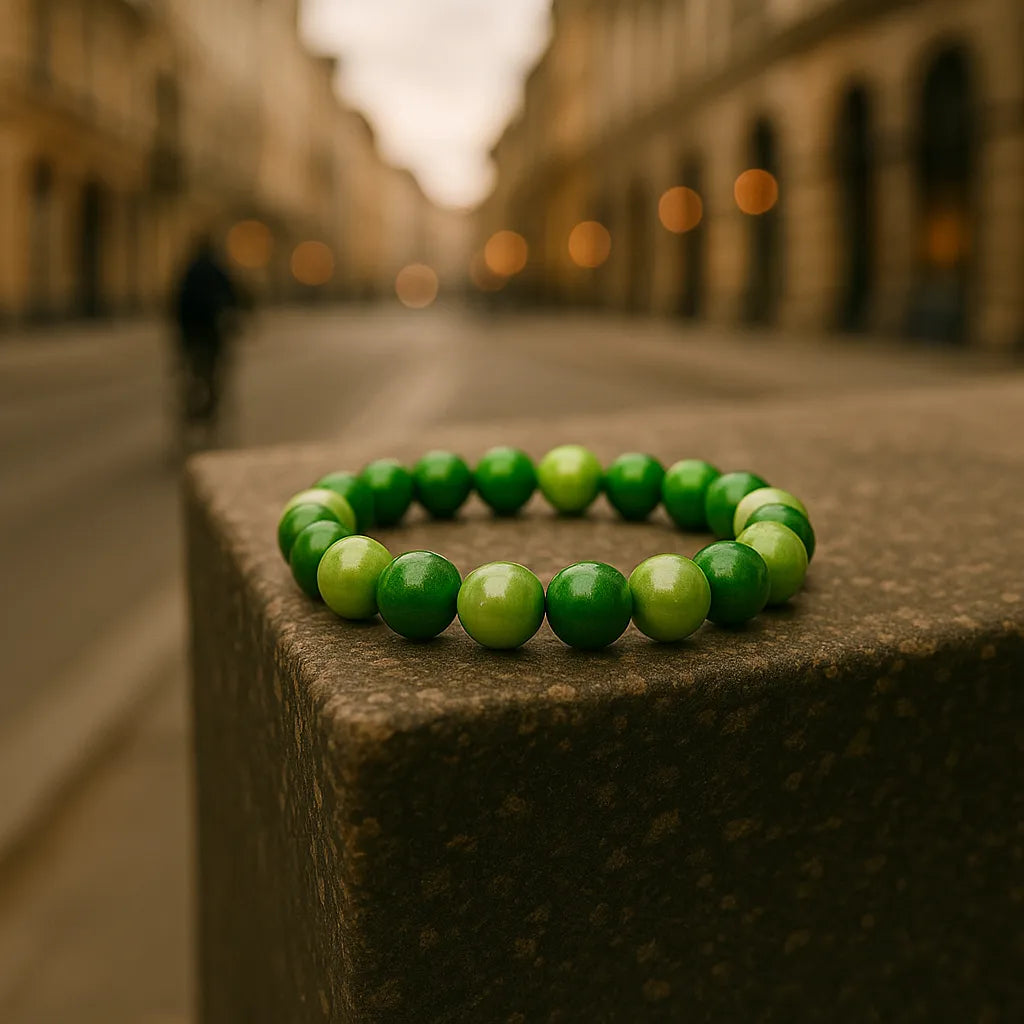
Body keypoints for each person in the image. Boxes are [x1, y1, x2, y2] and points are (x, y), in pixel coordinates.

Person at [172, 234, 242, 450]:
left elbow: (177, 303)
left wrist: (179, 336)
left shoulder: (189, 270)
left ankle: (191, 409)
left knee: (193, 373)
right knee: (214, 375)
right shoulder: (218, 270)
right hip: (212, 333)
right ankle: (210, 409)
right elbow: (233, 296)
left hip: (191, 333)